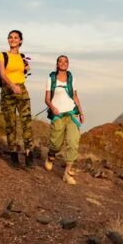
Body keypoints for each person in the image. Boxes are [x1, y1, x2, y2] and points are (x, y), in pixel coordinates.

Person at [44, 55, 84, 184]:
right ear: (57, 64)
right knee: (56, 143)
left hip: (72, 114)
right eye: (60, 61)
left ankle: (67, 173)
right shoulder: (51, 79)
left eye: (65, 61)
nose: (63, 63)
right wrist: (52, 107)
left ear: (68, 64)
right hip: (58, 114)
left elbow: (75, 96)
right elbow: (47, 99)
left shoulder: (72, 79)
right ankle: (51, 155)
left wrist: (81, 112)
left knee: (74, 142)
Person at [0, 30, 34, 168]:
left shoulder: (23, 56)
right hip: (8, 90)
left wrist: (26, 69)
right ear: (8, 40)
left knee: (26, 122)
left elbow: (25, 72)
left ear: (20, 41)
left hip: (22, 89)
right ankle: (13, 155)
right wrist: (12, 85)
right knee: (11, 124)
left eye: (16, 38)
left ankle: (29, 153)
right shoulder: (3, 55)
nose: (13, 39)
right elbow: (2, 74)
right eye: (10, 37)